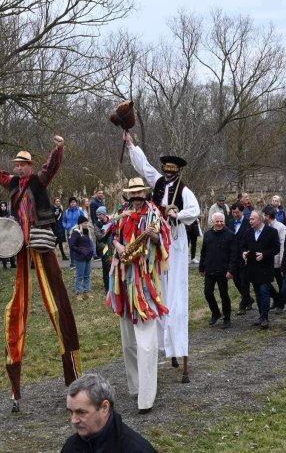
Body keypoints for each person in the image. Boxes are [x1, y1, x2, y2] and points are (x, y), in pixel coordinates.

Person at [0, 136, 81, 412]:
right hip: (21, 247)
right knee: (17, 308)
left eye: (23, 164)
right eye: (17, 165)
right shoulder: (13, 184)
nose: (19, 168)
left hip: (41, 244)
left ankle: (74, 376)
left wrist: (58, 148)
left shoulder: (37, 180)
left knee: (57, 304)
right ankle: (15, 387)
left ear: (29, 166)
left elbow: (51, 167)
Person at [125, 132, 200, 383]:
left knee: (176, 291)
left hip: (175, 241)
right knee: (157, 288)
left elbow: (195, 210)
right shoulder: (157, 183)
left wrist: (176, 214)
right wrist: (131, 145)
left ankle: (178, 345)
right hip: (156, 241)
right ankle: (159, 343)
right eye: (165, 171)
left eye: (171, 171)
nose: (168, 175)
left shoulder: (184, 190)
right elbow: (144, 167)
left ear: (177, 171)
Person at [105, 177, 171, 414]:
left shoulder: (154, 214)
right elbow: (112, 234)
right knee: (128, 344)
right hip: (123, 282)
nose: (136, 196)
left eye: (139, 192)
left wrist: (152, 236)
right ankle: (135, 387)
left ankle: (147, 397)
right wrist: (119, 247)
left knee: (145, 345)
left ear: (145, 193)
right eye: (132, 193)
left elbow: (164, 241)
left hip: (144, 285)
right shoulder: (122, 212)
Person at [62, 373, 157, 452]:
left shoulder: (137, 449)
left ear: (104, 407)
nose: (74, 420)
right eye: (71, 412)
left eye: (81, 412)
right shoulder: (70, 447)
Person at [237, 210, 280, 329]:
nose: (250, 221)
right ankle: (261, 315)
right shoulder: (248, 232)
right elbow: (243, 246)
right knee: (257, 292)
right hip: (252, 267)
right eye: (250, 219)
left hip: (265, 267)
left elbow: (276, 249)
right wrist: (244, 253)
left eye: (252, 219)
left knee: (264, 292)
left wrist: (264, 255)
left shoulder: (271, 232)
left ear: (260, 220)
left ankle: (265, 317)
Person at [199, 212, 235, 329]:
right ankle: (215, 313)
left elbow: (233, 255)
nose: (219, 224)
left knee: (224, 294)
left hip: (223, 270)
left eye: (221, 221)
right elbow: (203, 252)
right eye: (217, 221)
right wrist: (201, 267)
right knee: (207, 292)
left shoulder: (230, 235)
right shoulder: (208, 235)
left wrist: (231, 270)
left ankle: (227, 318)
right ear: (213, 222)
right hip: (210, 269)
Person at [227, 203, 253, 314]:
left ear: (242, 211)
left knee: (244, 281)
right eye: (233, 212)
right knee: (236, 280)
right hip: (234, 257)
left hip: (245, 256)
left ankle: (242, 305)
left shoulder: (248, 223)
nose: (235, 214)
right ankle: (248, 299)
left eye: (237, 212)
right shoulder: (230, 223)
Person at [263, 205, 286, 312]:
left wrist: (282, 259)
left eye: (263, 215)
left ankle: (281, 304)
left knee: (281, 282)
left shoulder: (280, 227)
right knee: (265, 282)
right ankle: (276, 297)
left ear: (268, 216)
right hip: (266, 260)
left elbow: (283, 244)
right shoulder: (263, 226)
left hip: (277, 260)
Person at [69, 215, 93, 300]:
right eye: (85, 223)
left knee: (87, 275)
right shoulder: (76, 232)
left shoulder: (87, 232)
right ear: (80, 223)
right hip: (80, 258)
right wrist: (80, 250)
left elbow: (89, 243)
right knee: (80, 275)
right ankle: (78, 292)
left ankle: (87, 291)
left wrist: (90, 251)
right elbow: (72, 245)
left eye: (87, 223)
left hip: (87, 257)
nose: (87, 224)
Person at [0, 200, 17, 269]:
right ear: (0, 207)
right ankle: (4, 265)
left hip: (8, 234)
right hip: (0, 234)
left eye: (4, 206)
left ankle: (13, 264)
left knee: (11, 249)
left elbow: (12, 223)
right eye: (2, 206)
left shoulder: (9, 214)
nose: (3, 207)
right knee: (3, 250)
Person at [94, 206, 112, 294]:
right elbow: (99, 237)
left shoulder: (111, 221)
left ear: (104, 213)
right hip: (104, 248)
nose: (99, 216)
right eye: (97, 214)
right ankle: (107, 288)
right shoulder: (97, 224)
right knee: (106, 267)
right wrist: (108, 234)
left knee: (114, 267)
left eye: (100, 214)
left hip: (113, 246)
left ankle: (114, 286)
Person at [63, 197, 84, 268]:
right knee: (71, 247)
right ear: (69, 203)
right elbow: (64, 221)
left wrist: (80, 228)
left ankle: (79, 263)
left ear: (76, 203)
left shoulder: (79, 211)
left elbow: (83, 220)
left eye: (74, 202)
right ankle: (72, 263)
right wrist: (66, 226)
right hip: (69, 232)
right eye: (71, 202)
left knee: (78, 247)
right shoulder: (66, 212)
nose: (73, 203)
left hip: (77, 232)